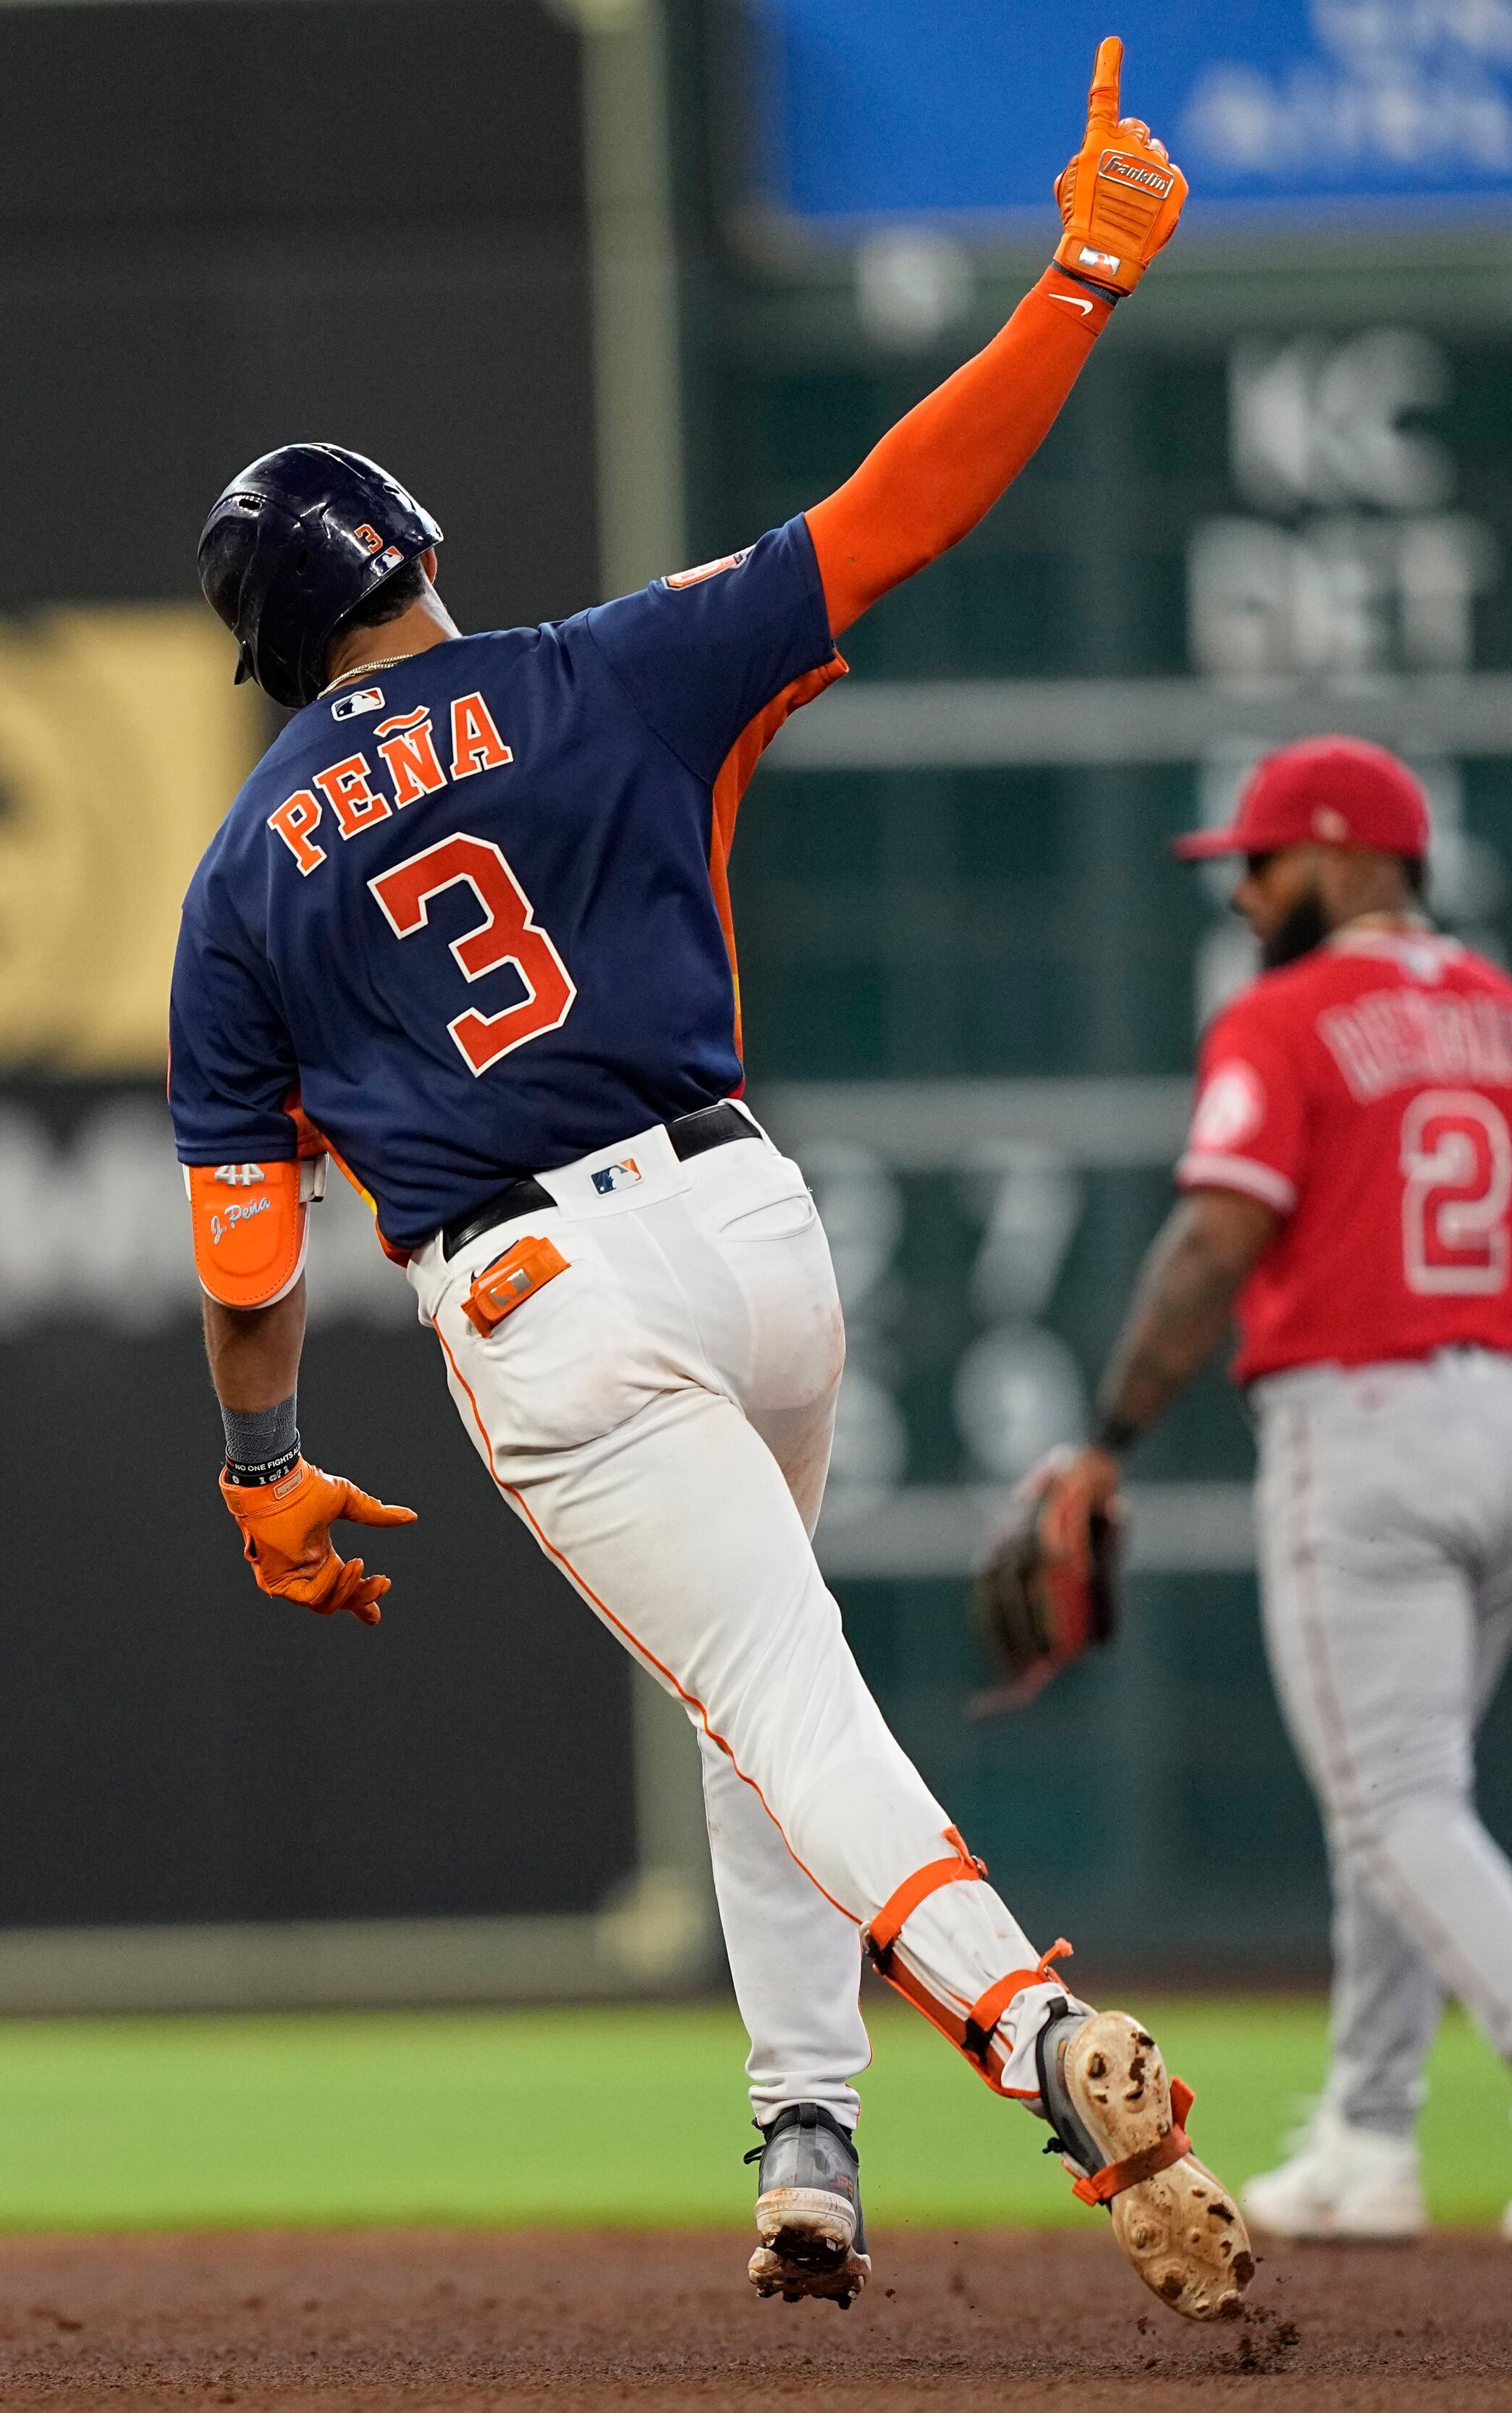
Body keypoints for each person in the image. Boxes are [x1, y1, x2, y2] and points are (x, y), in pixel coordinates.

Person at [166, 40, 1251, 2320]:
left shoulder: (245, 867)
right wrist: (1073, 283)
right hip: (757, 1231)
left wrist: (265, 1467)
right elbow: (898, 507)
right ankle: (807, 2132)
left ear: (266, 650)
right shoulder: (604, 670)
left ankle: (1043, 2036)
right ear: (421, 557)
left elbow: (248, 1243)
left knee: (779, 1690)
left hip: (546, 1292)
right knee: (757, 1680)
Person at [1042, 734, 1512, 2247]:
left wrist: (1106, 1435)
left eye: (1263, 858)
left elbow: (1214, 1241)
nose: (1242, 892)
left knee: (1395, 1793)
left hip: (1363, 1434)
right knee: (1399, 1795)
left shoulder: (1285, 1020)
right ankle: (1366, 2132)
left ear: (1354, 857)